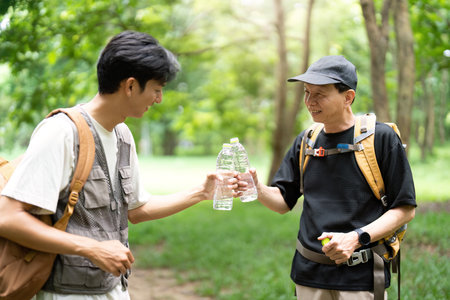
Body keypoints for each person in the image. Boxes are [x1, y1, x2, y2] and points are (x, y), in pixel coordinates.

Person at [0, 31, 228, 299]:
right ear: (130, 86)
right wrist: (91, 248)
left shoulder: (122, 135)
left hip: (114, 289)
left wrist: (200, 193)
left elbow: (138, 209)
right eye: (157, 89)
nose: (159, 99)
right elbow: (8, 217)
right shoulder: (61, 132)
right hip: (67, 293)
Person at [246, 55, 416, 299]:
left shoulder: (381, 139)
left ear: (348, 97)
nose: (309, 101)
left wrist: (356, 239)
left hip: (361, 277)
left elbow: (405, 209)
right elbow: (283, 202)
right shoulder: (306, 142)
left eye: (319, 94)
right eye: (306, 92)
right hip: (309, 273)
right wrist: (257, 188)